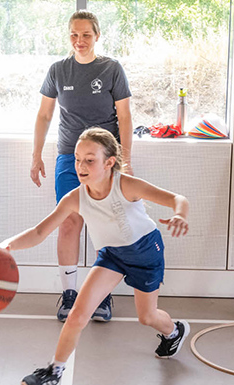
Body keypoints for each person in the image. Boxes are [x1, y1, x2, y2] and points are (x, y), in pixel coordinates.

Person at [2, 128, 190, 385]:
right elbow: (39, 232)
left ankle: (174, 331)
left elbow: (177, 199)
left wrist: (180, 214)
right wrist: (6, 245)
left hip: (146, 252)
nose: (81, 166)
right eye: (78, 159)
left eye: (89, 160)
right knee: (78, 314)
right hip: (112, 255)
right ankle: (54, 370)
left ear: (109, 162)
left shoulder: (126, 184)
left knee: (146, 317)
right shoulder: (75, 198)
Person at [31, 10, 133, 322]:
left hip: (105, 158)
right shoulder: (58, 70)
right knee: (69, 222)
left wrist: (124, 160)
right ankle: (70, 294)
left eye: (86, 35)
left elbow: (125, 116)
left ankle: (102, 296)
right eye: (74, 35)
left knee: (107, 224)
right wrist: (36, 155)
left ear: (97, 36)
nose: (80, 41)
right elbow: (45, 115)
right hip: (69, 157)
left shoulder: (112, 68)